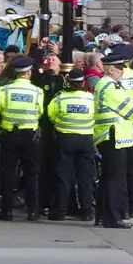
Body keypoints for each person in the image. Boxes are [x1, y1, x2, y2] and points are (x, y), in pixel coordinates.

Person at [93, 45, 133, 230]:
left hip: (109, 135)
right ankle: (113, 217)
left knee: (107, 177)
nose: (122, 72)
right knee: (115, 178)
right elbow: (132, 110)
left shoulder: (104, 84)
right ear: (112, 70)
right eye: (120, 69)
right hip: (114, 135)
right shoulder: (110, 87)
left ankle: (102, 215)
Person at [0, 58, 44, 222]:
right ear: (29, 73)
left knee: (8, 173)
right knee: (31, 173)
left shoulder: (4, 90)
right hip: (29, 136)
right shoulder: (37, 92)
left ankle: (6, 210)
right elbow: (40, 112)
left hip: (9, 134)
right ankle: (32, 211)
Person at [48, 67, 98, 221]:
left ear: (68, 82)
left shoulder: (60, 98)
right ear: (83, 82)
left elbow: (51, 115)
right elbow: (96, 116)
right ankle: (87, 211)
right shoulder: (91, 98)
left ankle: (60, 211)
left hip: (66, 139)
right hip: (86, 140)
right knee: (85, 178)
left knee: (63, 176)